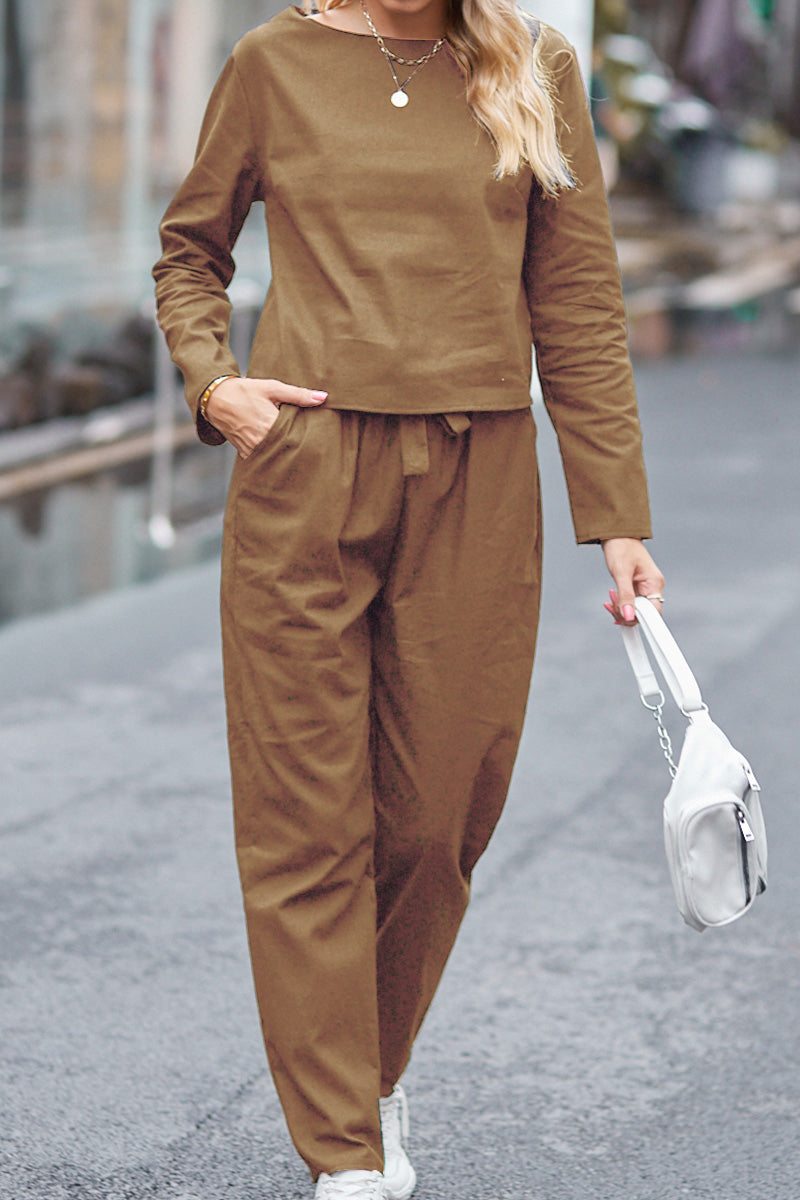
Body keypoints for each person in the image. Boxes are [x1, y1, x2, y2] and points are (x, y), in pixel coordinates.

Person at [151, 1, 666, 1196]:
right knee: (304, 820)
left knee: (442, 814)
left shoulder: (533, 63)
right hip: (306, 469)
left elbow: (577, 306)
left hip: (478, 470)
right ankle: (344, 1148)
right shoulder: (273, 62)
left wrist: (617, 514)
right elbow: (190, 250)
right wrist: (216, 387)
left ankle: (367, 1067)